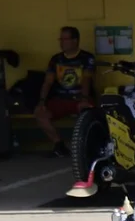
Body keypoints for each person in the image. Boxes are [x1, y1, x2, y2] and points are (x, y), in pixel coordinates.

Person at [34, 26, 95, 157]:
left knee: (87, 113)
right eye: (60, 39)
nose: (61, 42)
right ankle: (59, 145)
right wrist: (42, 101)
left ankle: (84, 148)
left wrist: (84, 99)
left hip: (79, 98)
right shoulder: (56, 59)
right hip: (61, 99)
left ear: (75, 41)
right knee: (40, 114)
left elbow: (86, 79)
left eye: (65, 39)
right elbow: (48, 81)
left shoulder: (86, 57)